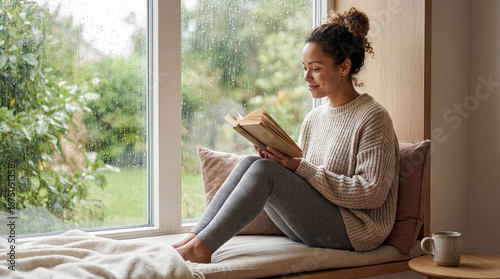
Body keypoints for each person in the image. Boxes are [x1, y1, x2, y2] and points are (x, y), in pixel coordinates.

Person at [173, 7, 400, 263]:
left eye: (314, 68)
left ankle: (201, 249)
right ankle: (196, 237)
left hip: (356, 230)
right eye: (304, 68)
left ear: (344, 67)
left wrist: (299, 168)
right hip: (315, 222)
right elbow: (303, 177)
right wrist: (278, 158)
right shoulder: (314, 118)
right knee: (254, 163)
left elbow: (371, 192)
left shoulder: (373, 117)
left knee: (265, 172)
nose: (306, 77)